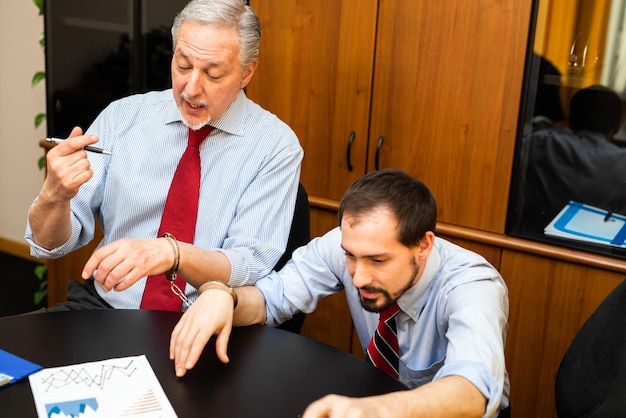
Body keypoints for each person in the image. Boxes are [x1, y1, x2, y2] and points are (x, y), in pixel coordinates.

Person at [24, 0, 303, 310]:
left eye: (213, 74)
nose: (191, 87)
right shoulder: (123, 118)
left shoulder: (274, 146)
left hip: (204, 320)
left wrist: (172, 253)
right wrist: (54, 196)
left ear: (247, 72)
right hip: (105, 309)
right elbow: (48, 246)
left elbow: (248, 265)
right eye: (183, 66)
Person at [170, 169, 510, 417]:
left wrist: (373, 411)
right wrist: (224, 296)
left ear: (423, 245)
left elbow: (473, 389)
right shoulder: (345, 245)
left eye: (378, 260)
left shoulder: (472, 285)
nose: (359, 276)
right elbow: (272, 299)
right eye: (351, 256)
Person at [521, 84, 626, 232]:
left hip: (535, 240)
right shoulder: (622, 163)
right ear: (617, 125)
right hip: (598, 250)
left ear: (570, 120)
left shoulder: (543, 144)